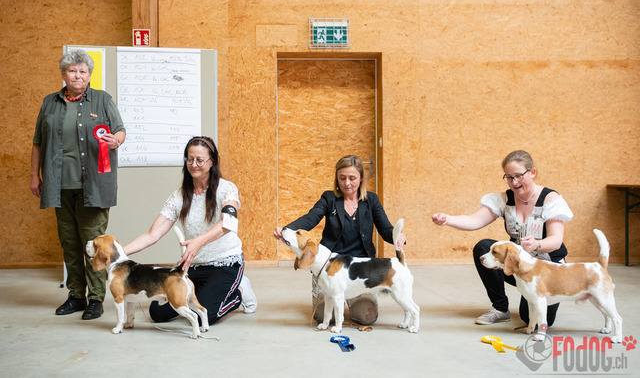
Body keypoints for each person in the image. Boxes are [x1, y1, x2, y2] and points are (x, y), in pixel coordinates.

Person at [31, 50, 126, 320]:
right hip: (59, 186)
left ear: (89, 75)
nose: (77, 76)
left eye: (83, 71)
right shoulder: (49, 103)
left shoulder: (102, 99)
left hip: (93, 186)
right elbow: (37, 143)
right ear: (63, 74)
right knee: (70, 243)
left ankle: (96, 299)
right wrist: (34, 176)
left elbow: (120, 130)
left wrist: (116, 140)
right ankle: (75, 296)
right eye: (72, 71)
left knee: (94, 244)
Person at [431, 150, 573, 328]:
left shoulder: (550, 199)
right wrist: (447, 219)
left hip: (547, 268)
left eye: (519, 176)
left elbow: (556, 241)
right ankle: (500, 308)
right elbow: (474, 221)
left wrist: (537, 244)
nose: (514, 182)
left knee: (534, 321)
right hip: (517, 264)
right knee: (484, 247)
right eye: (509, 177)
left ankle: (534, 297)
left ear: (532, 172)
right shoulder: (504, 199)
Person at [123, 136, 257, 325]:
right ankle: (205, 293)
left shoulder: (226, 189)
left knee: (204, 316)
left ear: (212, 161)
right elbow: (152, 234)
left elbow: (229, 223)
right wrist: (119, 252)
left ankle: (239, 291)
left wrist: (198, 242)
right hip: (192, 267)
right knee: (157, 312)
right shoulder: (178, 197)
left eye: (200, 160)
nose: (194, 165)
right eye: (190, 159)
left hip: (225, 264)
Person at [273, 155, 406, 326]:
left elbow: (385, 229)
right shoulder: (329, 198)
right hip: (329, 267)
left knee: (366, 317)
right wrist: (287, 231)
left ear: (361, 178)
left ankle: (350, 300)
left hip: (360, 270)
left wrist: (397, 235)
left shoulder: (371, 200)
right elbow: (310, 218)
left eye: (352, 178)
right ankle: (336, 300)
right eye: (342, 178)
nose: (347, 183)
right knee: (323, 317)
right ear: (337, 178)